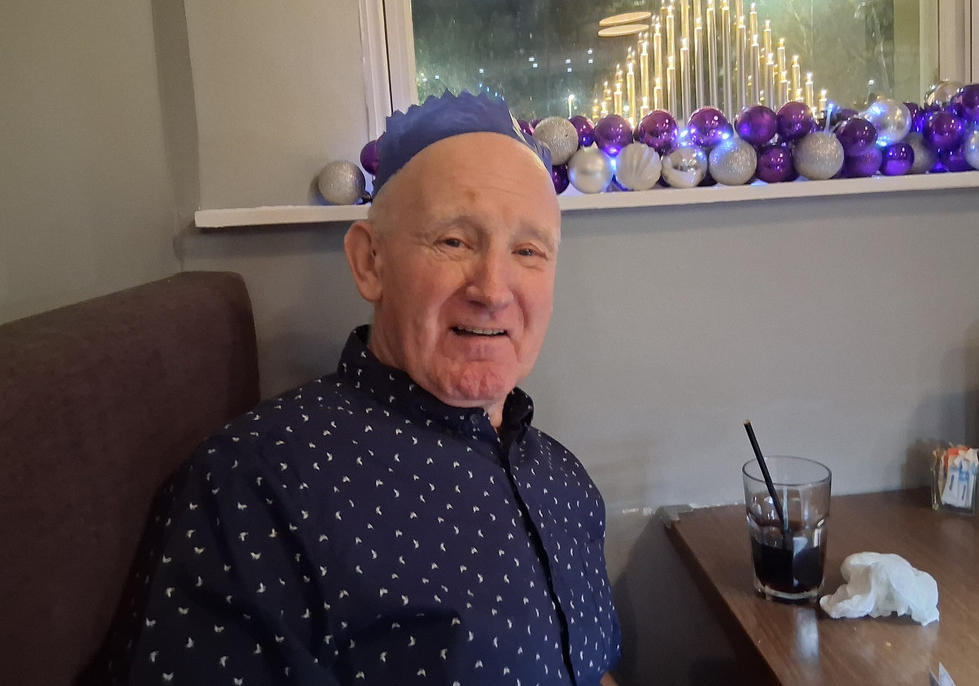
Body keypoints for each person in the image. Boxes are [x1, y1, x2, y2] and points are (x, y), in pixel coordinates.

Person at [106, 91, 621, 685]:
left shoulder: (565, 481)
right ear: (370, 262)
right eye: (454, 241)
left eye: (528, 251)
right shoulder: (254, 485)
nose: (493, 290)